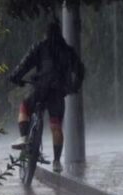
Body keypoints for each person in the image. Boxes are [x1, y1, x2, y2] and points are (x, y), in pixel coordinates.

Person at [8, 21, 85, 173]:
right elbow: (80, 70)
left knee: (25, 106)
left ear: (46, 33)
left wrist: (16, 77)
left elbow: (25, 63)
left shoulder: (40, 47)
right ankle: (56, 161)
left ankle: (24, 137)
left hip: (40, 88)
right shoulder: (68, 51)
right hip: (58, 92)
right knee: (56, 126)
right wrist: (74, 87)